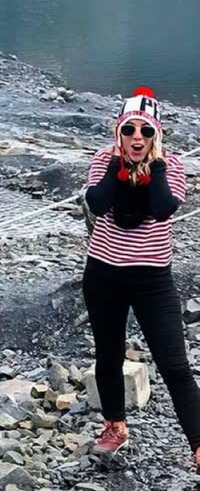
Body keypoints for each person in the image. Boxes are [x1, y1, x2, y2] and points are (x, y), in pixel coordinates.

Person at [83, 87, 200, 469]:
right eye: (130, 130)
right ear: (118, 131)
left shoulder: (175, 166)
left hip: (153, 280)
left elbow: (164, 208)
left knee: (175, 366)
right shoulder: (103, 159)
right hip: (103, 275)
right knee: (109, 353)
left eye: (146, 132)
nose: (137, 138)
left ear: (157, 135)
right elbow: (98, 204)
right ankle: (115, 426)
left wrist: (158, 166)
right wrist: (120, 166)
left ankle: (199, 446)